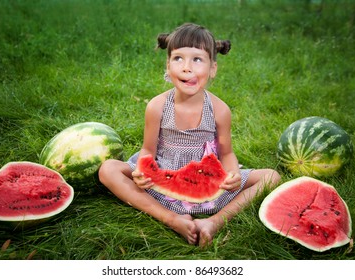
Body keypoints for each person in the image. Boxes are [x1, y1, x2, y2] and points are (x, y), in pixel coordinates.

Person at [99, 23, 281, 247]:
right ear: (167, 65)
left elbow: (227, 153)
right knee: (108, 169)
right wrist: (141, 170)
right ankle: (172, 218)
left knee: (272, 176)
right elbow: (148, 150)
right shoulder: (157, 107)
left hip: (208, 180)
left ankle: (213, 221)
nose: (187, 67)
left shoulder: (219, 110)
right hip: (162, 178)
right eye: (178, 58)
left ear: (213, 68)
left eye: (197, 59)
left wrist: (232, 174)